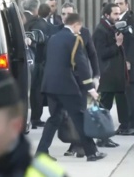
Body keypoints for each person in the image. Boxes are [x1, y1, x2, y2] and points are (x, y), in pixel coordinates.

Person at [36, 13, 107, 162]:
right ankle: (92, 152)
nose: (79, 30)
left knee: (54, 119)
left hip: (50, 84)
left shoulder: (53, 38)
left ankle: (41, 151)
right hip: (66, 86)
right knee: (79, 118)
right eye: (79, 27)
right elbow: (81, 65)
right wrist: (90, 88)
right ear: (75, 25)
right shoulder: (75, 39)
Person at [59, 2, 100, 157]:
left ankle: (78, 145)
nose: (65, 16)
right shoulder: (58, 32)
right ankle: (74, 143)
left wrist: (96, 75)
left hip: (81, 80)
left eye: (69, 13)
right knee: (66, 114)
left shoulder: (85, 32)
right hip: (65, 80)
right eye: (63, 14)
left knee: (79, 112)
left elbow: (92, 54)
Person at [93, 3, 129, 147]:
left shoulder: (111, 27)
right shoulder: (100, 30)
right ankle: (102, 138)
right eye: (115, 14)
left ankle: (105, 137)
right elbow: (101, 53)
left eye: (119, 13)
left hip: (114, 76)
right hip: (108, 76)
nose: (118, 16)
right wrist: (117, 44)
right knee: (104, 109)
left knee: (108, 109)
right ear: (107, 15)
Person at [114, 0, 134, 135]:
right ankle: (126, 123)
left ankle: (130, 124)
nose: (119, 6)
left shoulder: (130, 19)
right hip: (118, 62)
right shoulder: (117, 19)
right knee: (124, 94)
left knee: (130, 94)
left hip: (128, 61)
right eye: (116, 4)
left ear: (127, 5)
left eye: (121, 3)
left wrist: (129, 60)